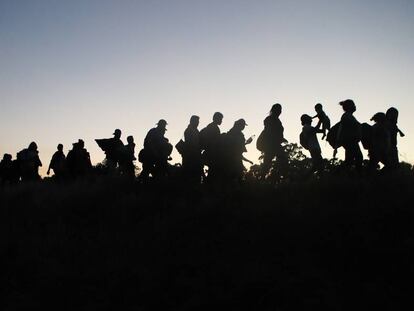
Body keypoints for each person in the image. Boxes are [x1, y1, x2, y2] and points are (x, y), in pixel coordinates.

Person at [257, 103, 288, 178]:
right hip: (270, 145)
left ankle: (264, 178)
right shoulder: (269, 119)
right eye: (279, 109)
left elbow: (277, 133)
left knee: (268, 163)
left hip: (274, 144)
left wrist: (282, 138)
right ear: (275, 110)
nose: (280, 111)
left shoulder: (277, 120)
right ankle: (283, 177)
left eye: (281, 110)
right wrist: (279, 138)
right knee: (270, 163)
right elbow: (270, 132)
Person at [335, 99, 363, 171]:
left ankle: (343, 175)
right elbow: (342, 129)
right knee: (358, 157)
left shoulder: (348, 116)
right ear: (350, 106)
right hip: (350, 141)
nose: (355, 106)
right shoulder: (346, 116)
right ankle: (357, 176)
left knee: (350, 160)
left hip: (350, 141)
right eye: (353, 105)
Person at [199, 112, 224, 182]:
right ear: (216, 119)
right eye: (220, 119)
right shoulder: (214, 128)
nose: (221, 121)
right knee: (213, 175)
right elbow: (214, 142)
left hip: (210, 154)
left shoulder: (210, 127)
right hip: (212, 154)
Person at [182, 115, 202, 184]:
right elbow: (191, 144)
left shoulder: (194, 131)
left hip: (193, 156)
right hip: (191, 157)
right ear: (192, 121)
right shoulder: (190, 131)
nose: (198, 123)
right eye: (197, 121)